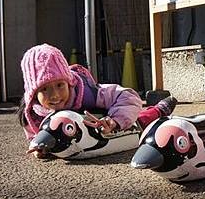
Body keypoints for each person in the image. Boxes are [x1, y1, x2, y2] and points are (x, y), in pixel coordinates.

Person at [18, 43, 177, 158]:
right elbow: (34, 138)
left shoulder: (88, 92)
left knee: (140, 122)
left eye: (60, 85)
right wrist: (39, 148)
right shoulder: (31, 114)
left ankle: (159, 110)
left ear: (69, 82)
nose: (54, 95)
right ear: (33, 93)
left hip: (110, 125)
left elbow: (129, 96)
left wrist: (114, 120)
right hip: (80, 143)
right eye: (44, 89)